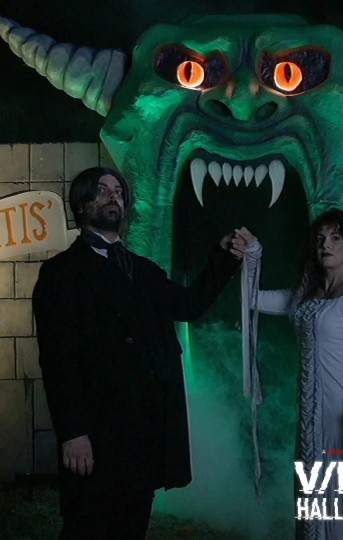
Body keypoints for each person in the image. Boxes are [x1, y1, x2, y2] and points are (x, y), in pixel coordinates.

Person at [32, 167, 245, 540]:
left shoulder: (144, 271)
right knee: (87, 528)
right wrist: (73, 432)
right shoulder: (61, 272)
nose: (113, 196)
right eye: (101, 190)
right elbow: (57, 359)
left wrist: (224, 257)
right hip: (97, 430)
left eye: (118, 191)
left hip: (144, 431)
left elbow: (189, 304)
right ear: (80, 205)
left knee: (132, 528)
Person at [236, 209, 343, 540]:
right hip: (311, 423)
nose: (326, 245)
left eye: (336, 238)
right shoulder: (306, 297)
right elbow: (250, 299)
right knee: (314, 509)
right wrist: (253, 253)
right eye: (321, 239)